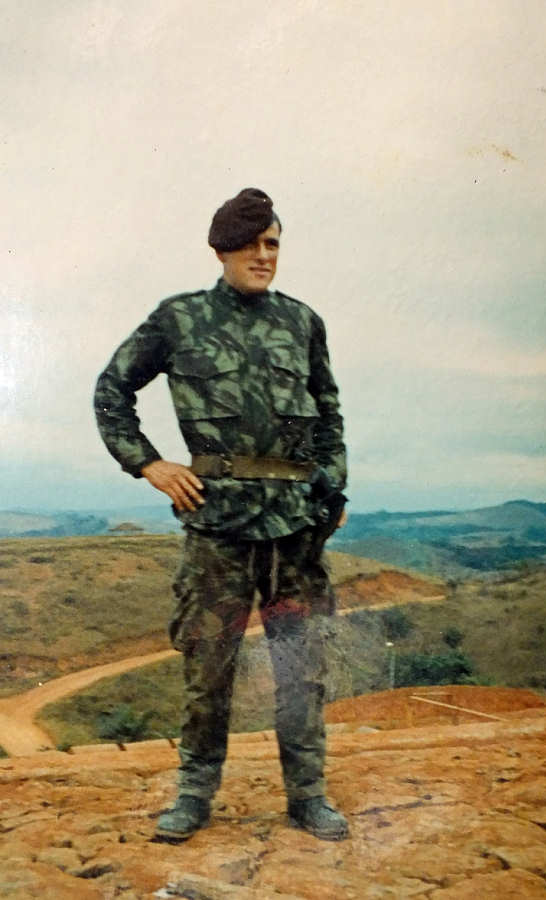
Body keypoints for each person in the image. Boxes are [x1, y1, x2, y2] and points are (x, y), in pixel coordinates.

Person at [94, 188, 349, 842]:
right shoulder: (179, 320)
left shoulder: (303, 323)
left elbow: (329, 415)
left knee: (301, 670)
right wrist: (148, 464)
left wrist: (333, 490)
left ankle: (308, 796)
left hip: (295, 531)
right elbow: (112, 389)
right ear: (222, 249)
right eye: (252, 244)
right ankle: (194, 795)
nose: (264, 256)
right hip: (217, 528)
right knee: (209, 670)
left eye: (273, 244)